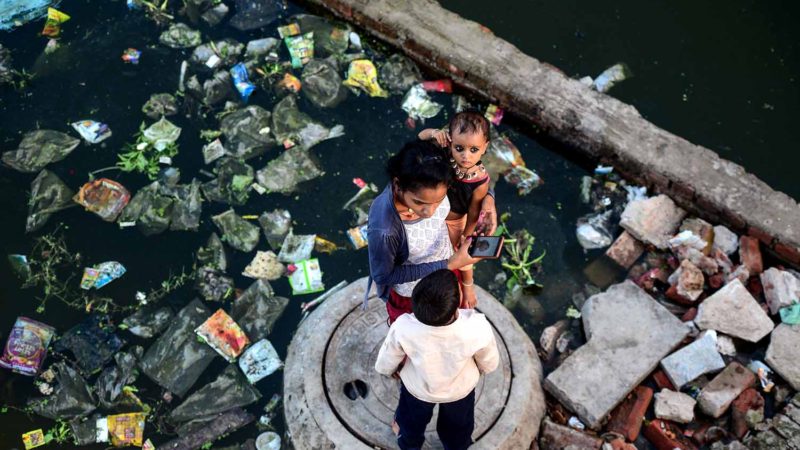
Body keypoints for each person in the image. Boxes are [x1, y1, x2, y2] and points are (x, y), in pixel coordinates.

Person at [366, 140, 493, 323]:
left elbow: (476, 177)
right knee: (412, 339)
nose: (429, 212)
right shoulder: (385, 230)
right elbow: (383, 275)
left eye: (439, 200)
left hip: (447, 274)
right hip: (414, 294)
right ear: (397, 185)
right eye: (419, 202)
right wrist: (447, 264)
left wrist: (489, 201)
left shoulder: (442, 170)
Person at [375, 269, 500, 450]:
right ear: (457, 302)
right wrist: (483, 368)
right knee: (458, 427)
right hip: (460, 390)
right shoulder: (477, 325)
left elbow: (387, 359)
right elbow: (489, 362)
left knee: (411, 421)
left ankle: (409, 444)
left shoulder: (403, 326)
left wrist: (388, 370)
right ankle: (456, 446)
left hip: (417, 389)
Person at [418, 110, 493, 307]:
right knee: (429, 250)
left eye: (473, 150)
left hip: (455, 220)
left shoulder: (480, 181)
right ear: (450, 141)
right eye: (459, 148)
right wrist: (434, 133)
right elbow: (420, 137)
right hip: (432, 213)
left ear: (485, 147)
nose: (465, 156)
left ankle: (468, 285)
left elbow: (474, 212)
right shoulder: (445, 154)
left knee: (464, 255)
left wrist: (466, 236)